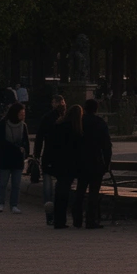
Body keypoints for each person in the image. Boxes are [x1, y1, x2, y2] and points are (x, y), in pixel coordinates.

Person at [73, 100, 112, 229]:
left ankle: (77, 219)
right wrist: (106, 163)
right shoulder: (100, 123)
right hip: (95, 161)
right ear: (96, 109)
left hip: (80, 160)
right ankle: (91, 220)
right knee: (93, 192)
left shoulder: (79, 122)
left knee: (80, 190)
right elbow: (106, 146)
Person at [33, 95, 66, 225]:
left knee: (47, 189)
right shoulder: (66, 118)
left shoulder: (46, 118)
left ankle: (49, 215)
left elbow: (39, 137)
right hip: (62, 156)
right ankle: (58, 213)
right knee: (61, 185)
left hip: (49, 155)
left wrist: (36, 154)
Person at [49, 105, 83, 229]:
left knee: (60, 191)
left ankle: (58, 219)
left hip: (59, 164)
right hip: (69, 165)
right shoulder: (75, 129)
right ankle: (61, 220)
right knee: (64, 192)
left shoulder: (59, 125)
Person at [0, 103, 29, 214]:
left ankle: (14, 204)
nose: (23, 116)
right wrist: (17, 148)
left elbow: (26, 141)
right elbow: (1, 142)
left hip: (17, 158)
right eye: (21, 113)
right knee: (3, 182)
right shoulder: (3, 125)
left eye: (24, 114)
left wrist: (25, 151)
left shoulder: (23, 126)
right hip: (5, 158)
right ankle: (1, 203)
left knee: (16, 184)